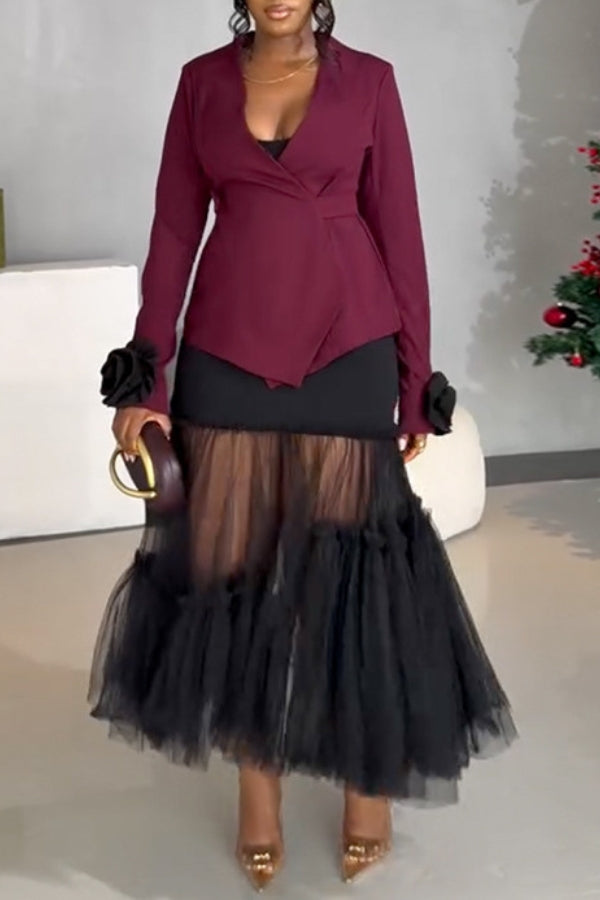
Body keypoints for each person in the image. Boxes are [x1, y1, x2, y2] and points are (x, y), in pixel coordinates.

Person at [88, 0, 517, 891]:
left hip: (347, 345)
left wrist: (416, 378)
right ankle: (258, 789)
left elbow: (399, 231)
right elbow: (174, 231)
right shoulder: (201, 84)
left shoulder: (372, 83)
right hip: (228, 347)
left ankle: (368, 785)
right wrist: (147, 380)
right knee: (233, 576)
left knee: (354, 581)